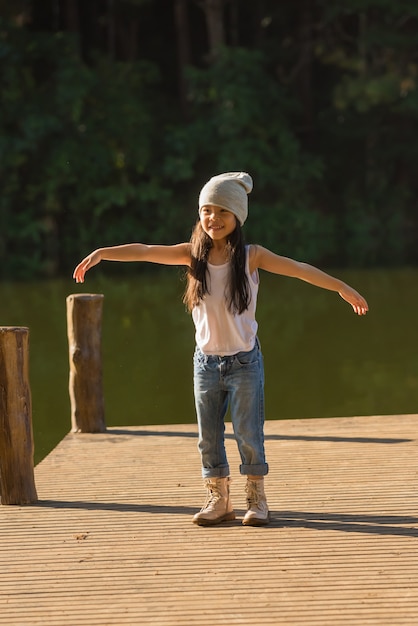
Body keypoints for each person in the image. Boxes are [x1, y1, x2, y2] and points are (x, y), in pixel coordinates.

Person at [73, 171, 368, 527]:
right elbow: (146, 251)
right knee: (208, 437)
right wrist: (102, 253)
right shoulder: (190, 256)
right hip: (206, 364)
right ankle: (219, 498)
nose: (213, 219)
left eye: (222, 212)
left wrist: (341, 288)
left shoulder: (251, 256)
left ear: (237, 217)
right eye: (207, 211)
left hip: (245, 362)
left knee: (248, 433)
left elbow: (299, 269)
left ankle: (256, 499)